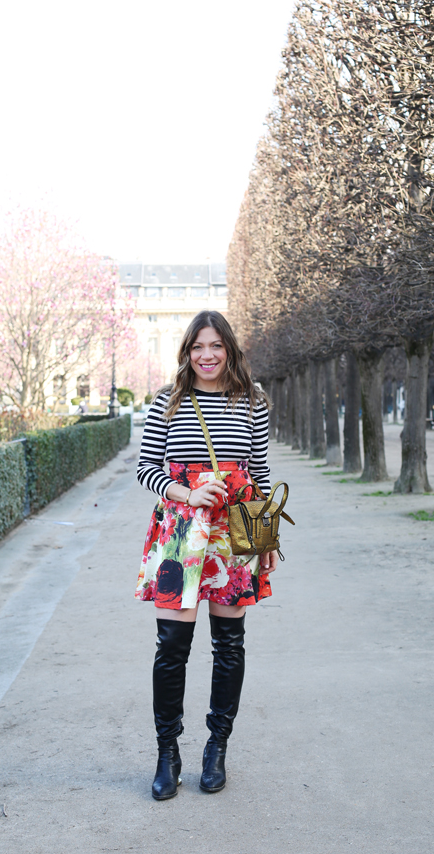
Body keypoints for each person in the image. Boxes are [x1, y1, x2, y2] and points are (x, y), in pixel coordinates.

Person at [135, 309, 276, 800]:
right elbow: (147, 469)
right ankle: (166, 752)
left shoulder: (251, 403)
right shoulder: (168, 402)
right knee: (171, 645)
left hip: (233, 536)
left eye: (215, 346)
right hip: (179, 535)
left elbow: (257, 473)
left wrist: (265, 543)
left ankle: (216, 748)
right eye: (198, 347)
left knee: (229, 644)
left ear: (229, 349)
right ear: (187, 352)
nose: (207, 355)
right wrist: (186, 495)